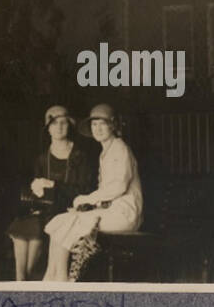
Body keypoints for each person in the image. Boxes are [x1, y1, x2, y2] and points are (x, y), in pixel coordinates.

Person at [43, 103, 142, 281]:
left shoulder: (120, 148)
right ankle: (53, 275)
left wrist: (86, 199)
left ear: (113, 125)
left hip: (124, 215)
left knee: (67, 222)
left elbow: (118, 187)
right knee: (60, 220)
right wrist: (89, 204)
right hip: (110, 212)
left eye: (102, 124)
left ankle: (59, 279)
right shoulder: (106, 152)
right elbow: (107, 192)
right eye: (94, 124)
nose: (97, 129)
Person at [6, 105, 99, 280]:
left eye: (63, 123)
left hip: (67, 211)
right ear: (48, 129)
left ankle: (29, 282)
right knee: (22, 230)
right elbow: (36, 194)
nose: (59, 127)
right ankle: (20, 282)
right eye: (54, 124)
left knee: (36, 229)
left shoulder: (79, 156)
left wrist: (53, 185)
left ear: (69, 126)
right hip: (45, 210)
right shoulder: (42, 158)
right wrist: (36, 186)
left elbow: (84, 191)